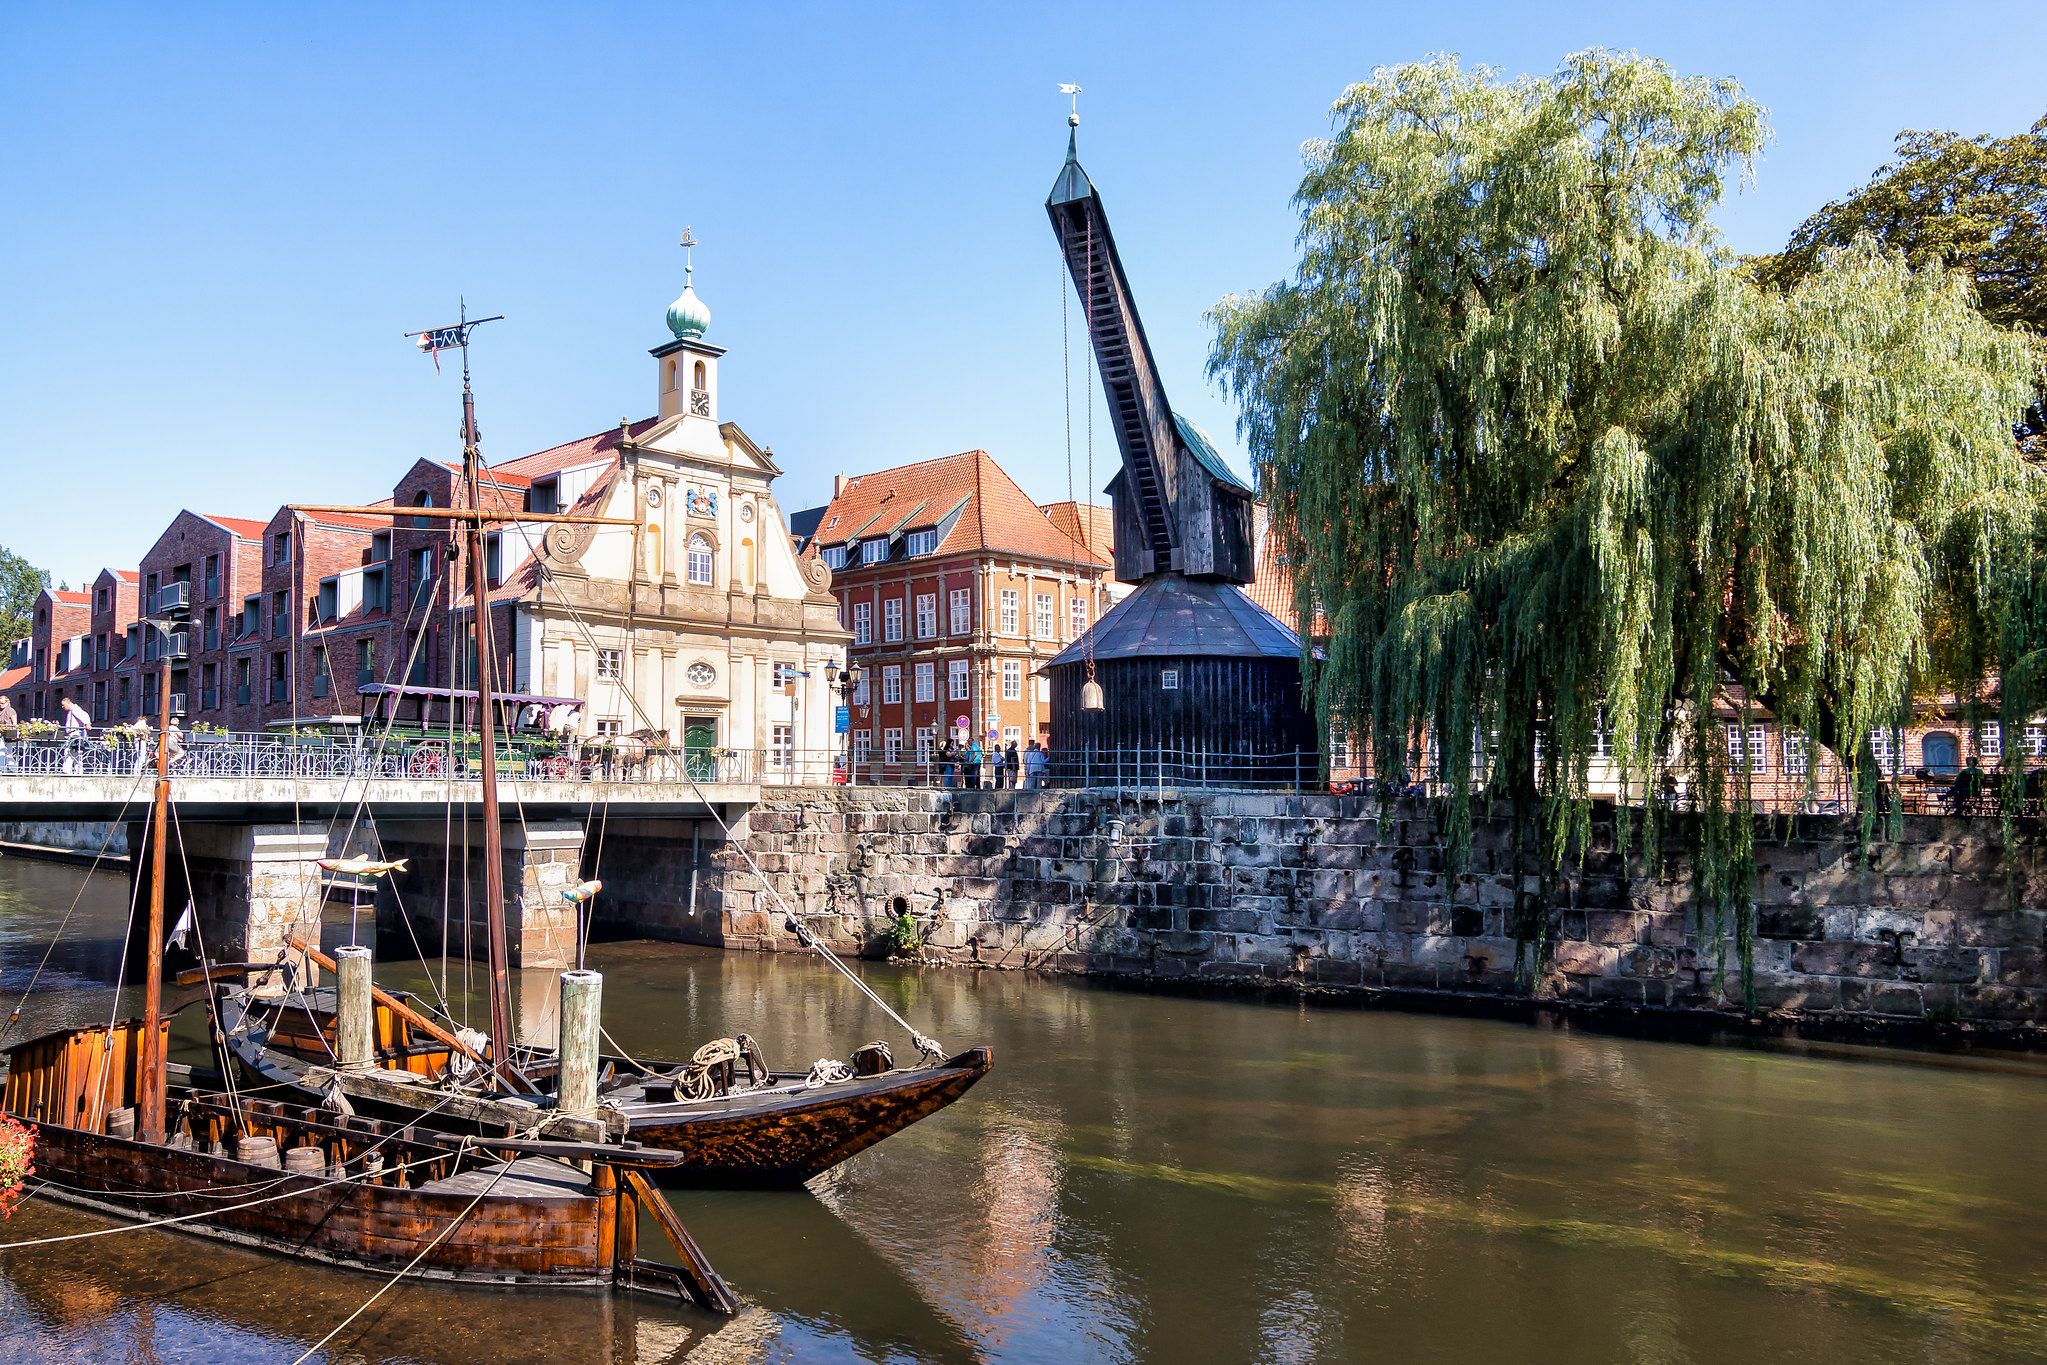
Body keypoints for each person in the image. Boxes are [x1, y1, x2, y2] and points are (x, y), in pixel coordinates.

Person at [60, 695, 91, 774]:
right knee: (76, 753)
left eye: (64, 705)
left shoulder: (75, 709)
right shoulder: (72, 710)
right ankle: (78, 771)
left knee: (69, 752)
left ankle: (66, 770)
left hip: (75, 734)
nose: (63, 707)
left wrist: (87, 724)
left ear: (68, 703)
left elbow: (84, 715)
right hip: (73, 734)